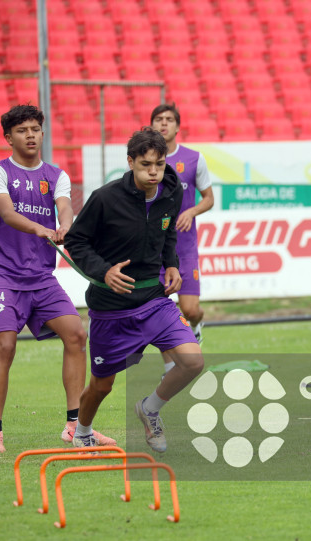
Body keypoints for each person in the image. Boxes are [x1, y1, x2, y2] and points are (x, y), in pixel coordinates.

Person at [0, 104, 114, 452]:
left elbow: (65, 206)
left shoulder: (56, 174)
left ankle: (74, 425)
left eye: (36, 129)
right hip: (2, 276)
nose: (30, 135)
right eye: (22, 130)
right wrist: (42, 227)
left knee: (76, 334)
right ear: (9, 137)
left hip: (41, 277)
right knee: (5, 346)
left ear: (42, 133)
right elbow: (7, 213)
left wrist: (66, 225)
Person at [64, 128, 205, 452]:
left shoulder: (172, 191)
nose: (153, 172)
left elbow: (167, 232)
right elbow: (76, 241)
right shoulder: (105, 198)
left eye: (159, 163)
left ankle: (150, 408)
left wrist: (170, 263)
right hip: (111, 307)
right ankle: (82, 431)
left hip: (155, 299)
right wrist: (103, 271)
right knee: (102, 385)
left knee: (193, 361)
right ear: (130, 162)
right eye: (145, 165)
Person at [151, 104, 214, 359]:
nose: (163, 124)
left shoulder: (194, 159)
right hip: (155, 251)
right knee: (159, 312)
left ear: (177, 126)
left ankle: (197, 325)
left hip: (185, 249)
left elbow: (209, 198)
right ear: (152, 125)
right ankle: (170, 370)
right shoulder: (147, 160)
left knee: (190, 309)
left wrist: (191, 212)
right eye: (158, 119)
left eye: (169, 120)